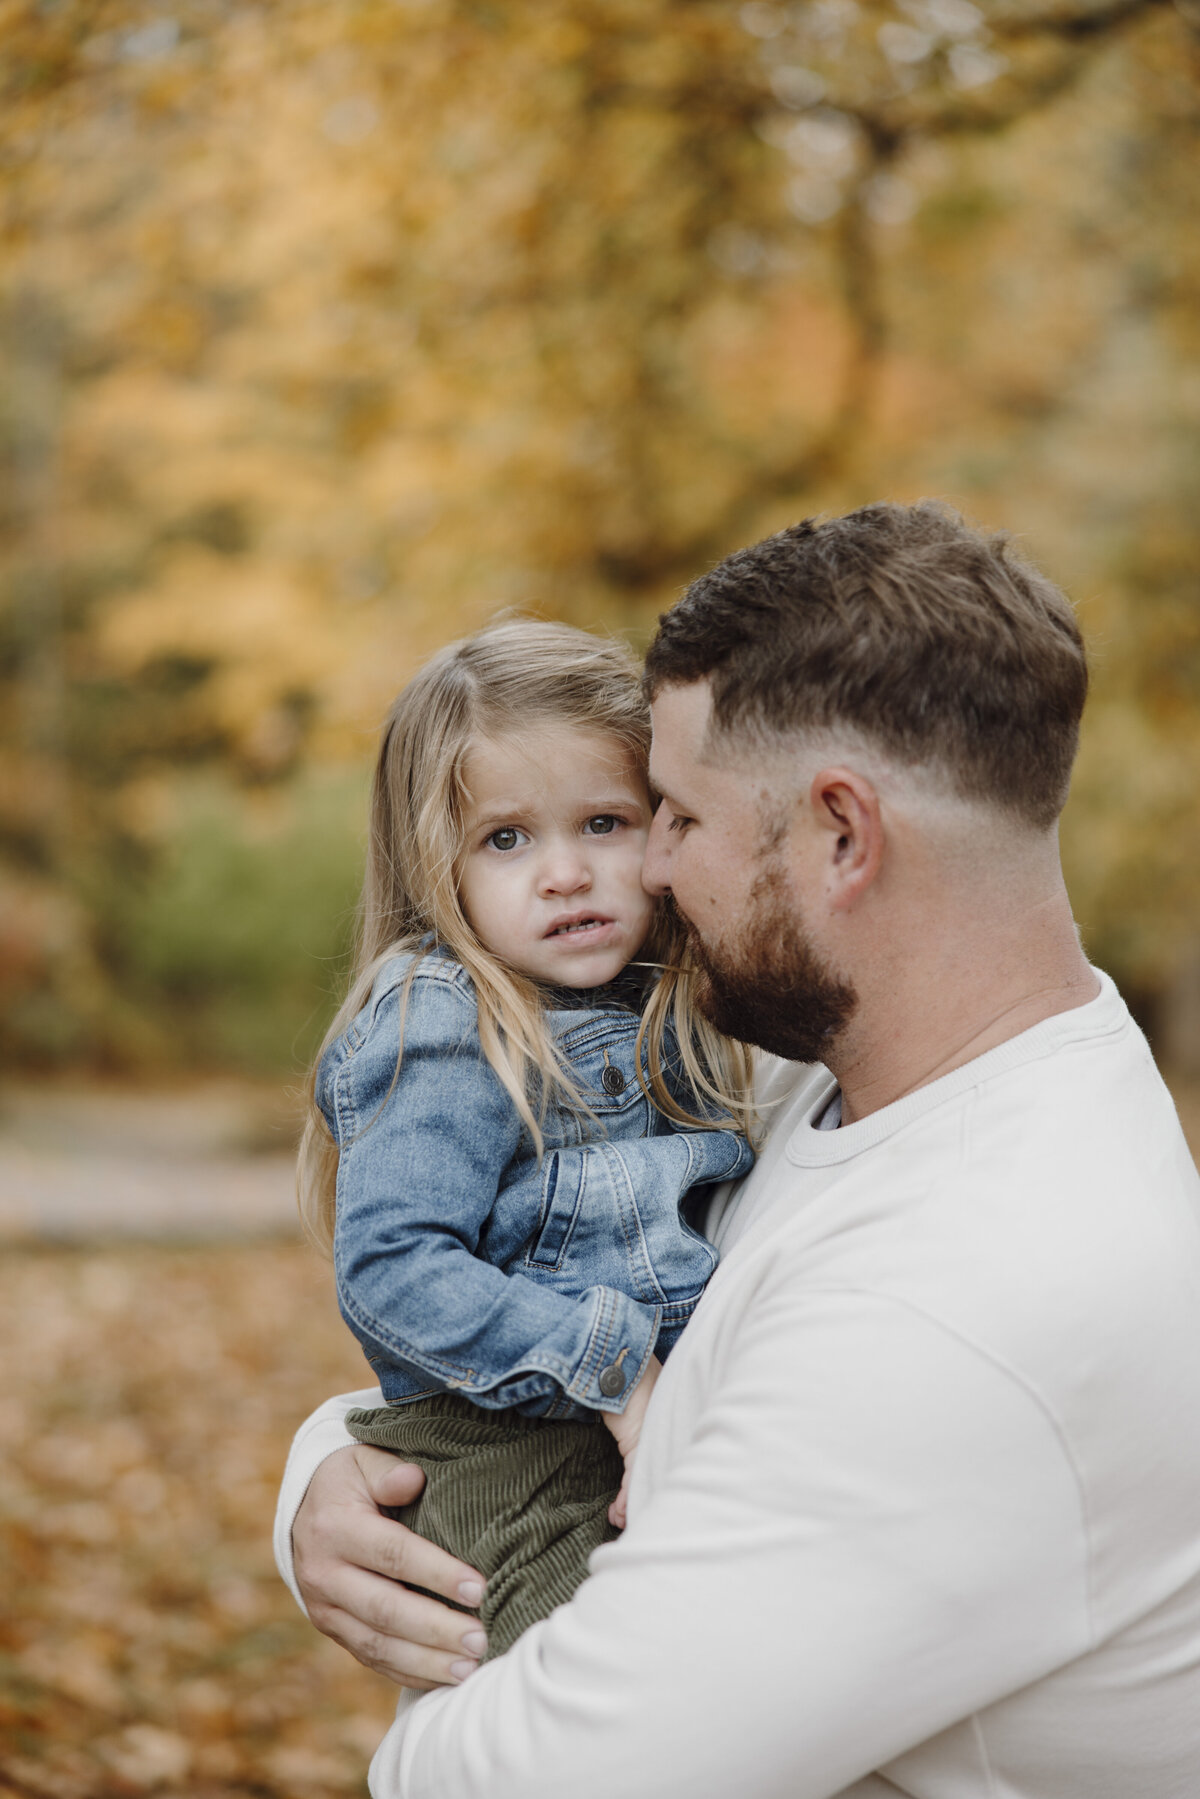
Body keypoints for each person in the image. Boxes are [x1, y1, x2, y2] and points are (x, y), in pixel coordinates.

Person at [276, 502, 1200, 1798]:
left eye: (673, 819)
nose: (639, 864)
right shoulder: (865, 1072)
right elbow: (483, 1252)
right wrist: (328, 1468)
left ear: (841, 833)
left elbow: (532, 1777)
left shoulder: (965, 1300)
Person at [296, 620, 754, 1663]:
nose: (566, 874)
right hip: (514, 1453)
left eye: (603, 821)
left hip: (622, 1439)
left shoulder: (683, 1002)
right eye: (507, 838)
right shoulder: (449, 1018)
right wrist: (619, 1363)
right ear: (434, 864)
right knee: (606, 1699)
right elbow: (393, 1265)